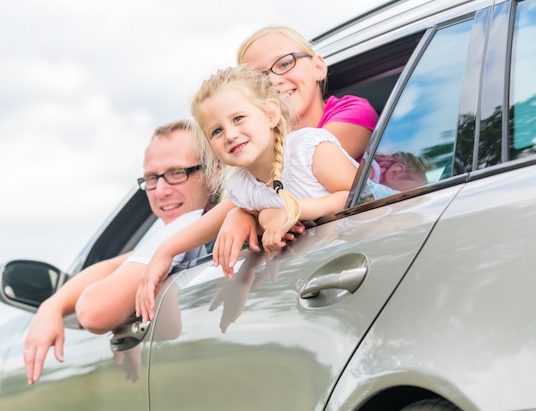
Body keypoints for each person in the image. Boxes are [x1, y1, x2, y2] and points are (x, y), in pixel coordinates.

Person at [135, 64, 359, 322]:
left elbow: (358, 195)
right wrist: (165, 251)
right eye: (216, 131)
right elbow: (208, 225)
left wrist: (290, 211)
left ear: (271, 114)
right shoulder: (242, 185)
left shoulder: (308, 149)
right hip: (323, 276)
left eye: (238, 118)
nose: (230, 134)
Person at [22, 119, 211, 385]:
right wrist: (51, 306)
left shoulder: (188, 223)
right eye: (151, 178)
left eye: (177, 172)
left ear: (214, 171)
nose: (161, 191)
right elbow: (115, 265)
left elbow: (93, 311)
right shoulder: (191, 236)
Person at [213, 25, 379, 275]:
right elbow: (272, 195)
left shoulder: (346, 120)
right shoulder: (259, 160)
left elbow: (296, 181)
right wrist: (251, 214)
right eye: (257, 79)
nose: (272, 79)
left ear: (319, 67)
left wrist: (254, 215)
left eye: (284, 63)